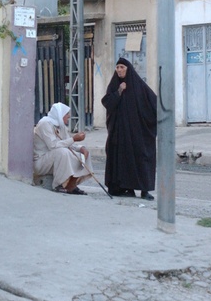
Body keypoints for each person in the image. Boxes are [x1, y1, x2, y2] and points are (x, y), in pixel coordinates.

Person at [101, 58, 157, 199]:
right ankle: (127, 188)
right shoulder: (114, 85)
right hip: (120, 133)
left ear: (128, 69)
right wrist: (119, 91)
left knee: (141, 158)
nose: (119, 70)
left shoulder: (139, 86)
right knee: (123, 159)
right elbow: (107, 102)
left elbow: (154, 103)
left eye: (122, 67)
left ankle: (145, 190)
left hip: (138, 133)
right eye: (117, 67)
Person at [33, 102, 93, 195]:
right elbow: (53, 145)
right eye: (66, 114)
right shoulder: (44, 124)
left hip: (53, 159)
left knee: (83, 154)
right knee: (62, 152)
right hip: (41, 161)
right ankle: (58, 184)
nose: (69, 116)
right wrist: (74, 139)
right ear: (59, 114)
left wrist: (81, 148)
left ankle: (71, 185)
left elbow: (68, 143)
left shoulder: (61, 126)